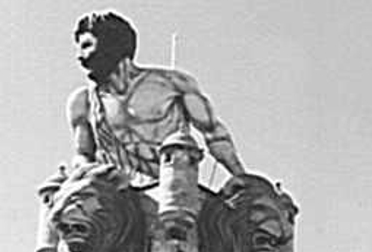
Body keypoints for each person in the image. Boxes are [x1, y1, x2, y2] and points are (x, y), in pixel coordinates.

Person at [67, 10, 246, 187]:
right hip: (119, 196)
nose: (80, 57)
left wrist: (242, 177)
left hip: (174, 188)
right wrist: (86, 170)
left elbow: (213, 132)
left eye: (86, 46)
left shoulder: (173, 84)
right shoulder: (84, 102)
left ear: (110, 44)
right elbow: (83, 154)